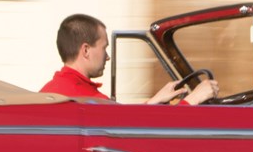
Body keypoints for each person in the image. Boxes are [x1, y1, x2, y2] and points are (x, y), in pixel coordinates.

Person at [40, 14, 217, 104]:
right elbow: (130, 130)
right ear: (86, 50)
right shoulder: (85, 99)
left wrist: (155, 100)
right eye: (104, 48)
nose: (108, 56)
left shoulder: (52, 90)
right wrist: (192, 100)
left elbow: (121, 118)